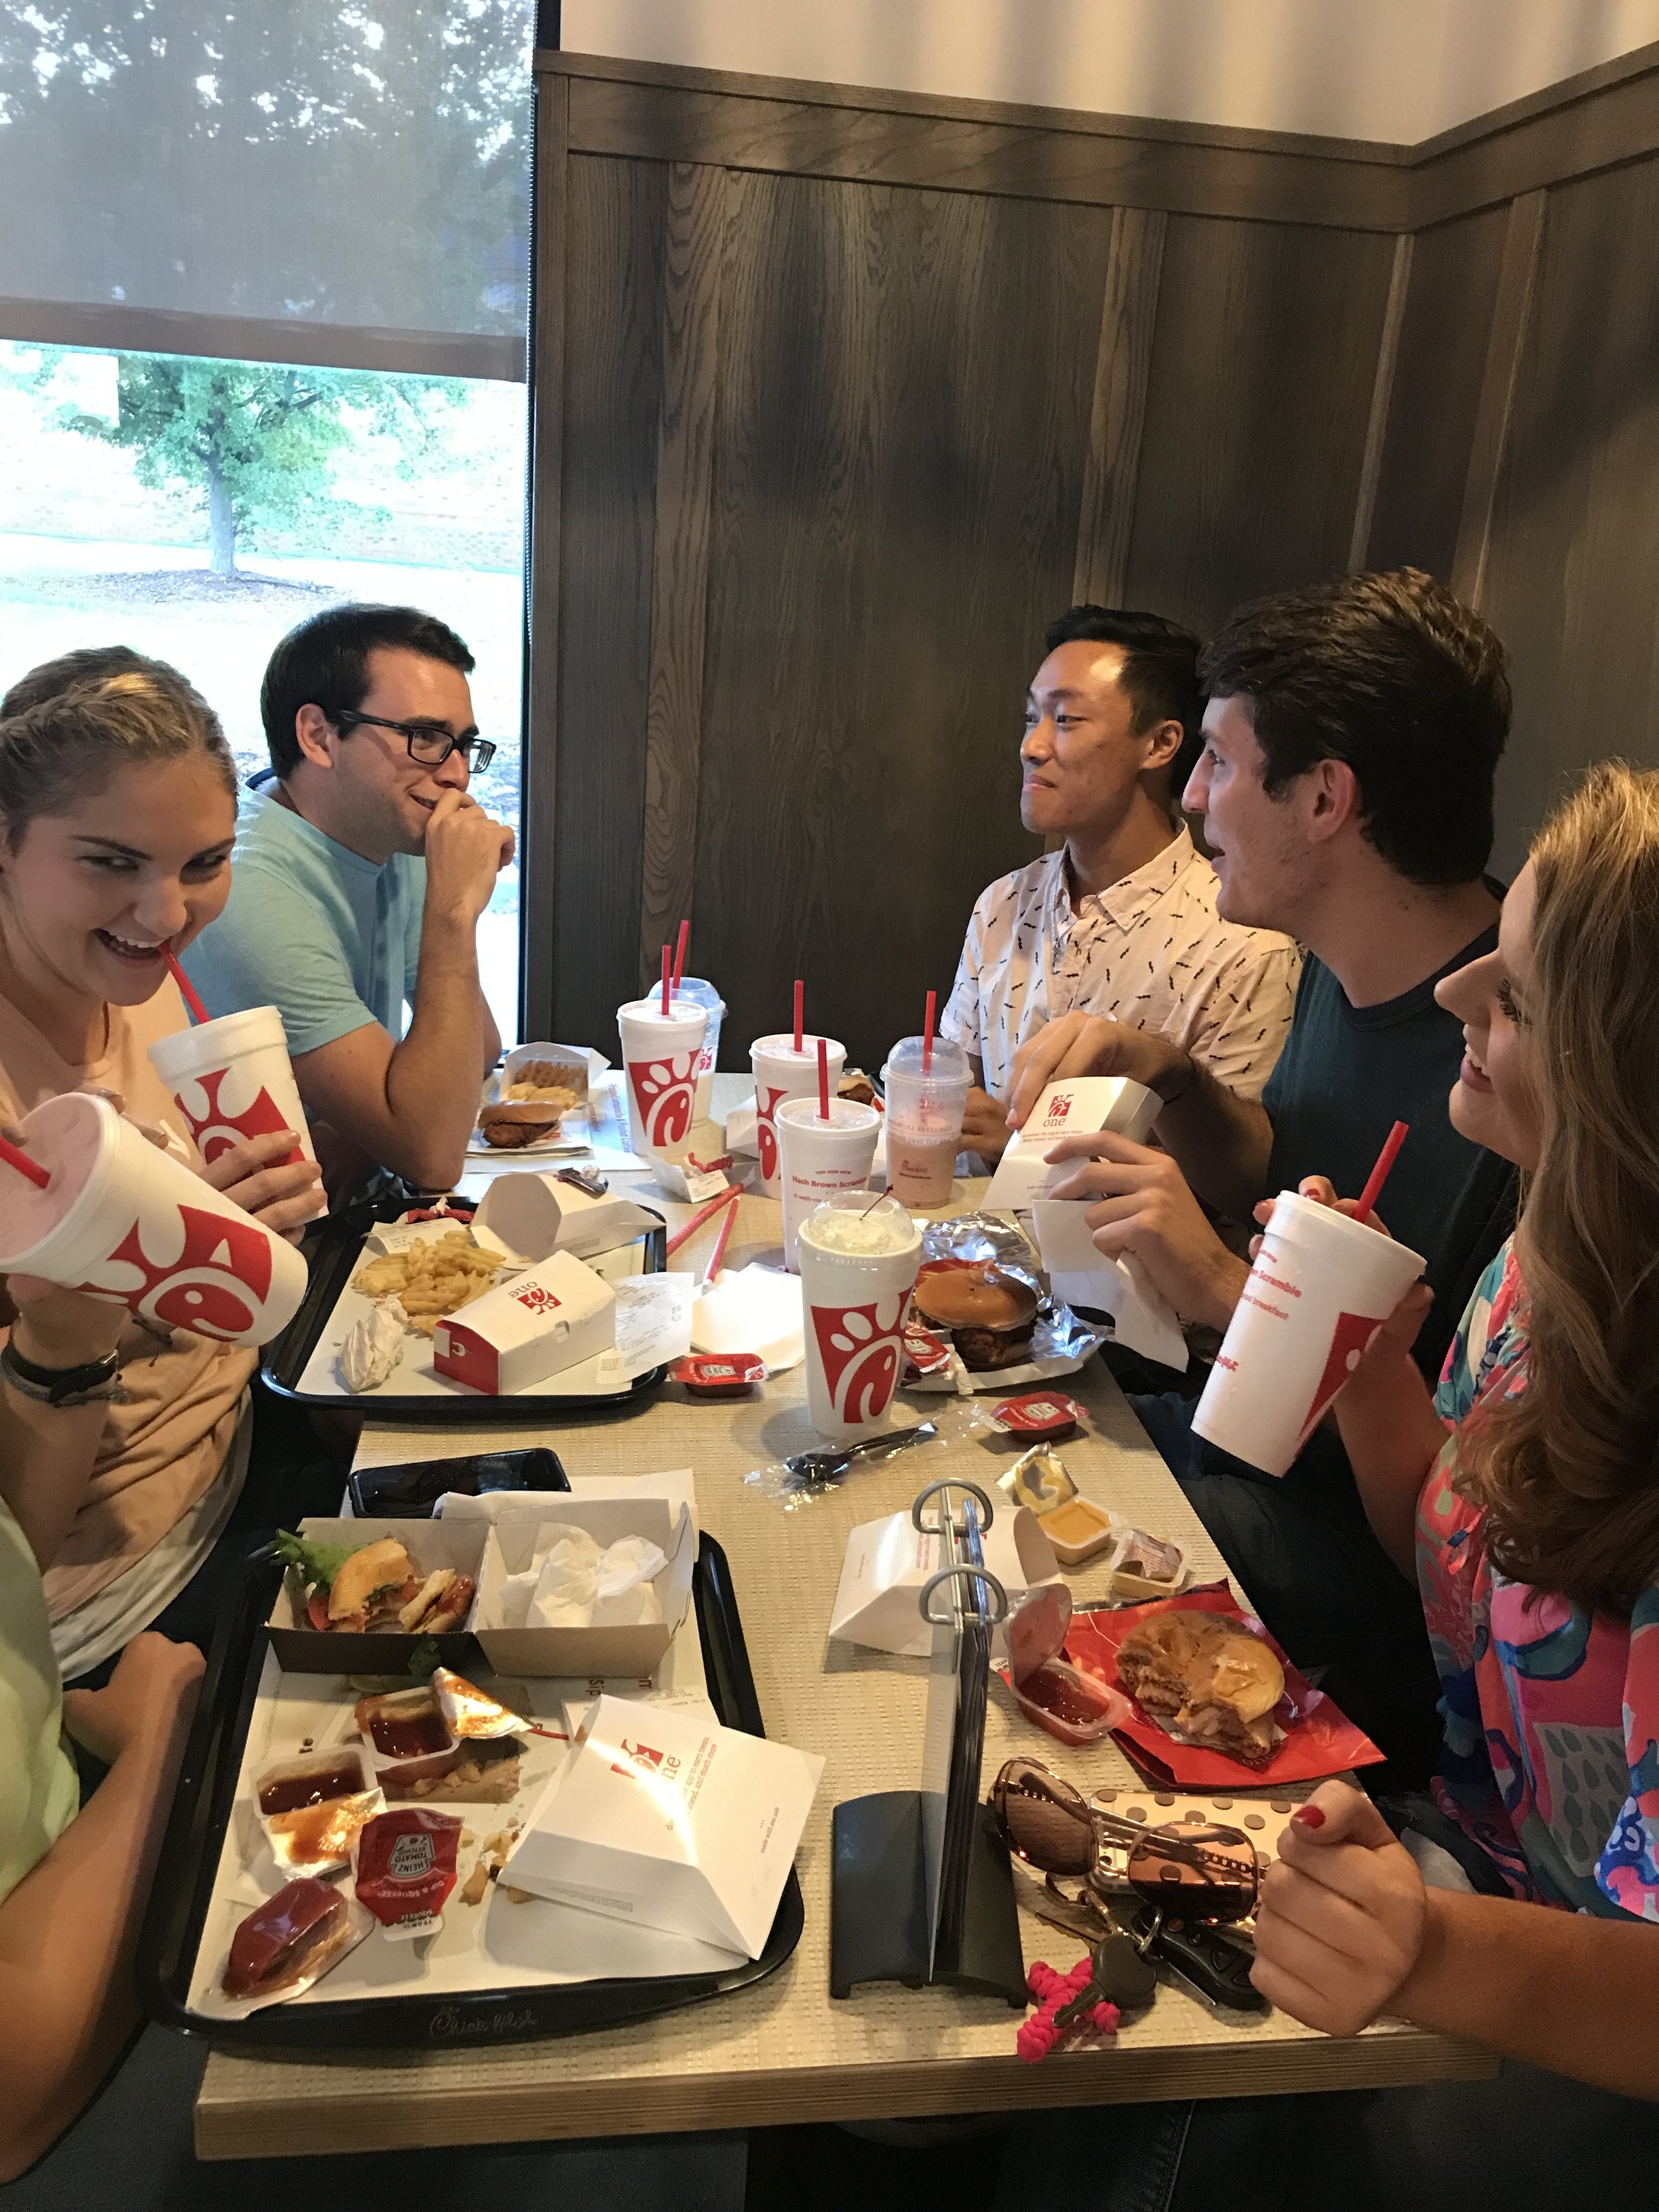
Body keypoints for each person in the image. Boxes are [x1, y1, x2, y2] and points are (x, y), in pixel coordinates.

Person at [993, 764, 1659, 2211]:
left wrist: (1418, 1945)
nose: (1452, 993)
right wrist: (1371, 1372)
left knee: (1195, 2108)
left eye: (1520, 992)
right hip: (1454, 1846)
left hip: (1593, 2015)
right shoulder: (1544, 1268)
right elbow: (1462, 1571)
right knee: (1070, 1990)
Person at [1007, 570, 1520, 1771]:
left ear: (1328, 796)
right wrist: (1176, 1076)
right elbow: (1280, 1160)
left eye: (1223, 765)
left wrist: (1230, 1291)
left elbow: (1463, 1523)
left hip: (1364, 1620)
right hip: (1229, 1458)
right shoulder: (1341, 970)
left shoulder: (1512, 1051)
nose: (1191, 799)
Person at [0, 656, 323, 1678]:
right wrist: (65, 1344)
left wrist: (248, 1231)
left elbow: (206, 1307)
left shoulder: (139, 980)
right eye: (109, 863)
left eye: (203, 864)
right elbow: (16, 1551)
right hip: (109, 1615)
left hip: (248, 1451)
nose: (166, 914)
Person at [941, 605, 1298, 1164]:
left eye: (1065, 720)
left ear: (1160, 744)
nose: (1032, 746)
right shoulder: (1002, 905)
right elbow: (958, 1088)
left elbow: (1238, 1185)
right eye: (1031, 717)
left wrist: (1022, 1150)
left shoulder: (1244, 945)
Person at [182, 604, 514, 1197]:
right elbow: (433, 1155)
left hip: (351, 1204)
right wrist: (454, 915)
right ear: (318, 736)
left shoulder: (389, 836)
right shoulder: (250, 889)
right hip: (272, 1244)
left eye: (463, 744)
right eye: (427, 738)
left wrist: (367, 1132)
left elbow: (480, 1049)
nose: (458, 775)